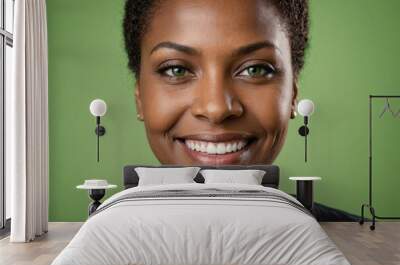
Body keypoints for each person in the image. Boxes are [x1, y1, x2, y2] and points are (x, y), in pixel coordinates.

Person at [122, 0, 359, 221]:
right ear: (140, 97)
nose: (216, 109)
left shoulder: (351, 235)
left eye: (255, 69)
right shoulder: (104, 233)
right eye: (176, 70)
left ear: (293, 95)